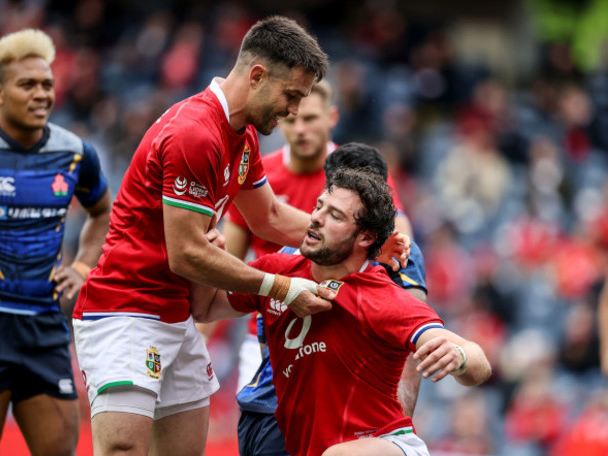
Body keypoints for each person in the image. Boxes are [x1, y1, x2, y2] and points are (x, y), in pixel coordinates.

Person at [72, 16, 409, 456]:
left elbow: (267, 216)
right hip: (127, 309)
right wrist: (282, 287)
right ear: (257, 75)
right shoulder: (195, 133)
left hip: (177, 314)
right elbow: (187, 254)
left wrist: (359, 235)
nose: (292, 111)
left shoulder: (242, 135)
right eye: (291, 95)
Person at [192, 163, 492, 456]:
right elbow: (205, 309)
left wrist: (461, 357)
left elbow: (480, 366)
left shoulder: (381, 298)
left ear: (365, 237)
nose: (316, 218)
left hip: (388, 445)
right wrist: (210, 253)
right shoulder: (276, 271)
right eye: (319, 206)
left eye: (334, 215)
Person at [0, 29, 112, 456]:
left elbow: (103, 213)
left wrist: (82, 267)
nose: (41, 94)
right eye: (27, 84)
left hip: (44, 325)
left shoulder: (76, 153)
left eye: (46, 84)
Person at [235, 143, 428, 456]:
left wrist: (394, 430)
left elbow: (413, 342)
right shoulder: (288, 257)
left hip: (340, 418)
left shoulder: (401, 254)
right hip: (272, 408)